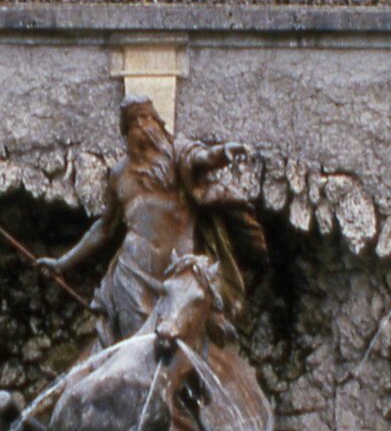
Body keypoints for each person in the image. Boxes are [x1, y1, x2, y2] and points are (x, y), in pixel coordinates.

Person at [38, 96, 264, 347]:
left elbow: (203, 158)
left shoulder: (178, 153)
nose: (142, 127)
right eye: (133, 122)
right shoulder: (120, 175)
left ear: (158, 121)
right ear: (126, 133)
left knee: (186, 351)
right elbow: (103, 228)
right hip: (132, 278)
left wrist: (222, 153)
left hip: (180, 279)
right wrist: (62, 262)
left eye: (146, 118)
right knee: (137, 352)